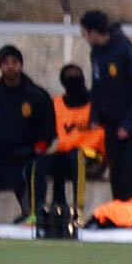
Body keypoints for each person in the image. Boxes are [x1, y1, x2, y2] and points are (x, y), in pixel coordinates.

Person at [80, 10, 132, 204]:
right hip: (113, 123)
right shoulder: (96, 54)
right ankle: (119, 212)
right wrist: (95, 116)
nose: (84, 37)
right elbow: (97, 88)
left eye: (84, 32)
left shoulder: (128, 51)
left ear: (94, 32)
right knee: (116, 168)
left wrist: (128, 124)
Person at [0, 44, 56, 222]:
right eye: (6, 63)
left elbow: (49, 129)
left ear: (20, 65)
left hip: (27, 155)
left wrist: (39, 147)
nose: (10, 66)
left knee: (34, 169)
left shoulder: (37, 96)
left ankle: (34, 215)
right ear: (0, 66)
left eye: (14, 62)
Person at [35, 64, 105, 215]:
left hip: (94, 157)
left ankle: (78, 209)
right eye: (69, 76)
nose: (73, 79)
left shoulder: (96, 102)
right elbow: (48, 132)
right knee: (42, 162)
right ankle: (40, 211)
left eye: (76, 75)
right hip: (67, 154)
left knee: (76, 156)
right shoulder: (57, 104)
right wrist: (40, 147)